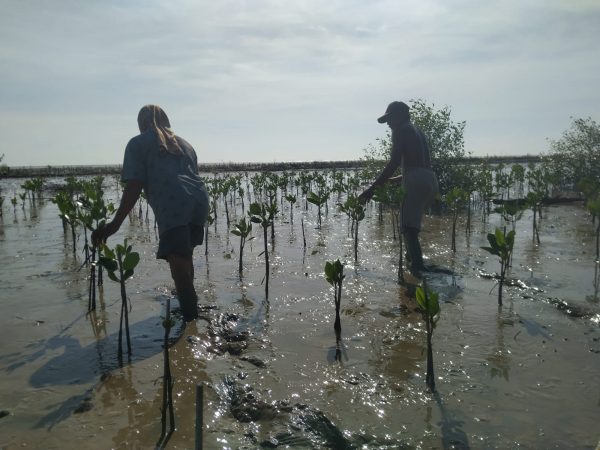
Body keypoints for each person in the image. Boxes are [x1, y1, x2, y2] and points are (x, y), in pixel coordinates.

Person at [92, 105, 209, 322]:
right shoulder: (186, 144)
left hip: (172, 202)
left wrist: (115, 224)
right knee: (184, 255)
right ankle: (190, 306)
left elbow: (134, 185)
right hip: (200, 200)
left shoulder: (137, 143)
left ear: (141, 123)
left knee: (178, 262)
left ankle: (191, 321)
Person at [358, 101, 438, 275]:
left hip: (416, 180)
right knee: (412, 226)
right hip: (430, 180)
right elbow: (418, 166)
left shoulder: (401, 130)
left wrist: (370, 190)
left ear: (401, 115)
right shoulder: (418, 132)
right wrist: (391, 181)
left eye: (390, 118)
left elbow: (394, 162)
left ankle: (417, 268)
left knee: (409, 228)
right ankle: (413, 262)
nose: (388, 123)